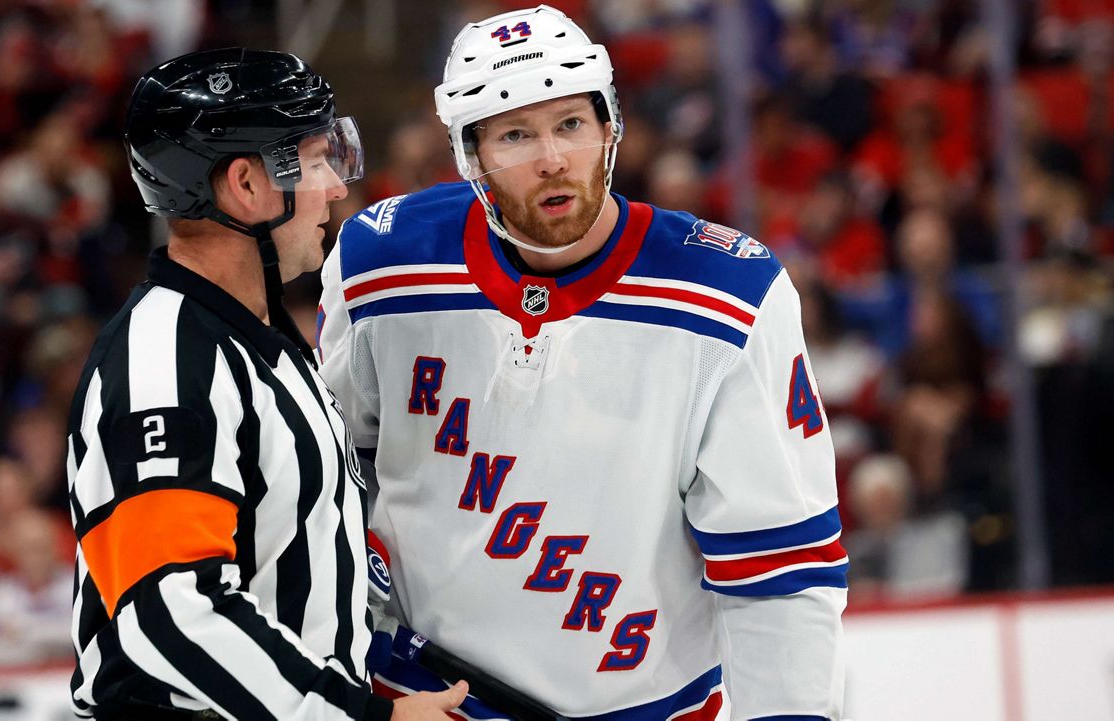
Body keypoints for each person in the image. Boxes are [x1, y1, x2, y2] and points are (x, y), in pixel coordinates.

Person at [318, 6, 846, 720]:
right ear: (470, 154)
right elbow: (328, 473)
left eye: (570, 123)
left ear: (610, 126)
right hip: (424, 699)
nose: (552, 159)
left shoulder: (730, 297)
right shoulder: (379, 264)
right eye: (514, 135)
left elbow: (779, 567)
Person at [67, 48, 466, 721]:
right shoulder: (162, 363)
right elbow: (169, 609)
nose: (337, 188)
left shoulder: (267, 343)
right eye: (315, 161)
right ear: (247, 185)